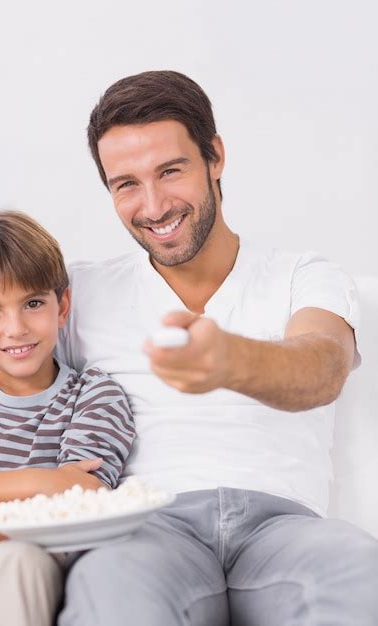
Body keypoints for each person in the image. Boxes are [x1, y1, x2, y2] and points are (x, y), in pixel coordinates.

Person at [57, 70, 378, 625]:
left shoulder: (305, 274)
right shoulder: (76, 294)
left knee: (360, 575)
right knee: (108, 589)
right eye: (126, 184)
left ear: (215, 156)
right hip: (146, 528)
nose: (153, 205)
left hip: (286, 530)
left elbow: (323, 364)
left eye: (170, 171)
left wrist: (230, 360)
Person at [0, 211, 135, 626]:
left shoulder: (95, 395)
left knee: (20, 560)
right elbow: (64, 487)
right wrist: (48, 482)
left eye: (33, 303)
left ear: (63, 307)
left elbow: (82, 500)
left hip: (34, 550)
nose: (15, 328)